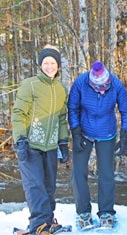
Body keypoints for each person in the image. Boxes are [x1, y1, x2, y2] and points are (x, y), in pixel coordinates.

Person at [11, 45, 69, 235]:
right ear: (40, 65)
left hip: (50, 146)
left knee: (49, 186)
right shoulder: (31, 85)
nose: (49, 66)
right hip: (30, 145)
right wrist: (20, 140)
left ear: (58, 66)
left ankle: (48, 220)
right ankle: (38, 225)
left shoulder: (60, 89)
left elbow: (61, 118)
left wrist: (63, 142)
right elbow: (19, 113)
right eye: (46, 63)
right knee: (35, 186)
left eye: (53, 63)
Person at [67, 61, 127, 230]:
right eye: (97, 87)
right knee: (78, 171)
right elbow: (72, 107)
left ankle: (106, 212)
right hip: (84, 130)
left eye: (104, 86)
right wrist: (75, 132)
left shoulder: (116, 84)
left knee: (106, 172)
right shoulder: (81, 83)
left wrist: (125, 136)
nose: (101, 90)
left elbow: (125, 110)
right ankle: (83, 212)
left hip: (106, 131)